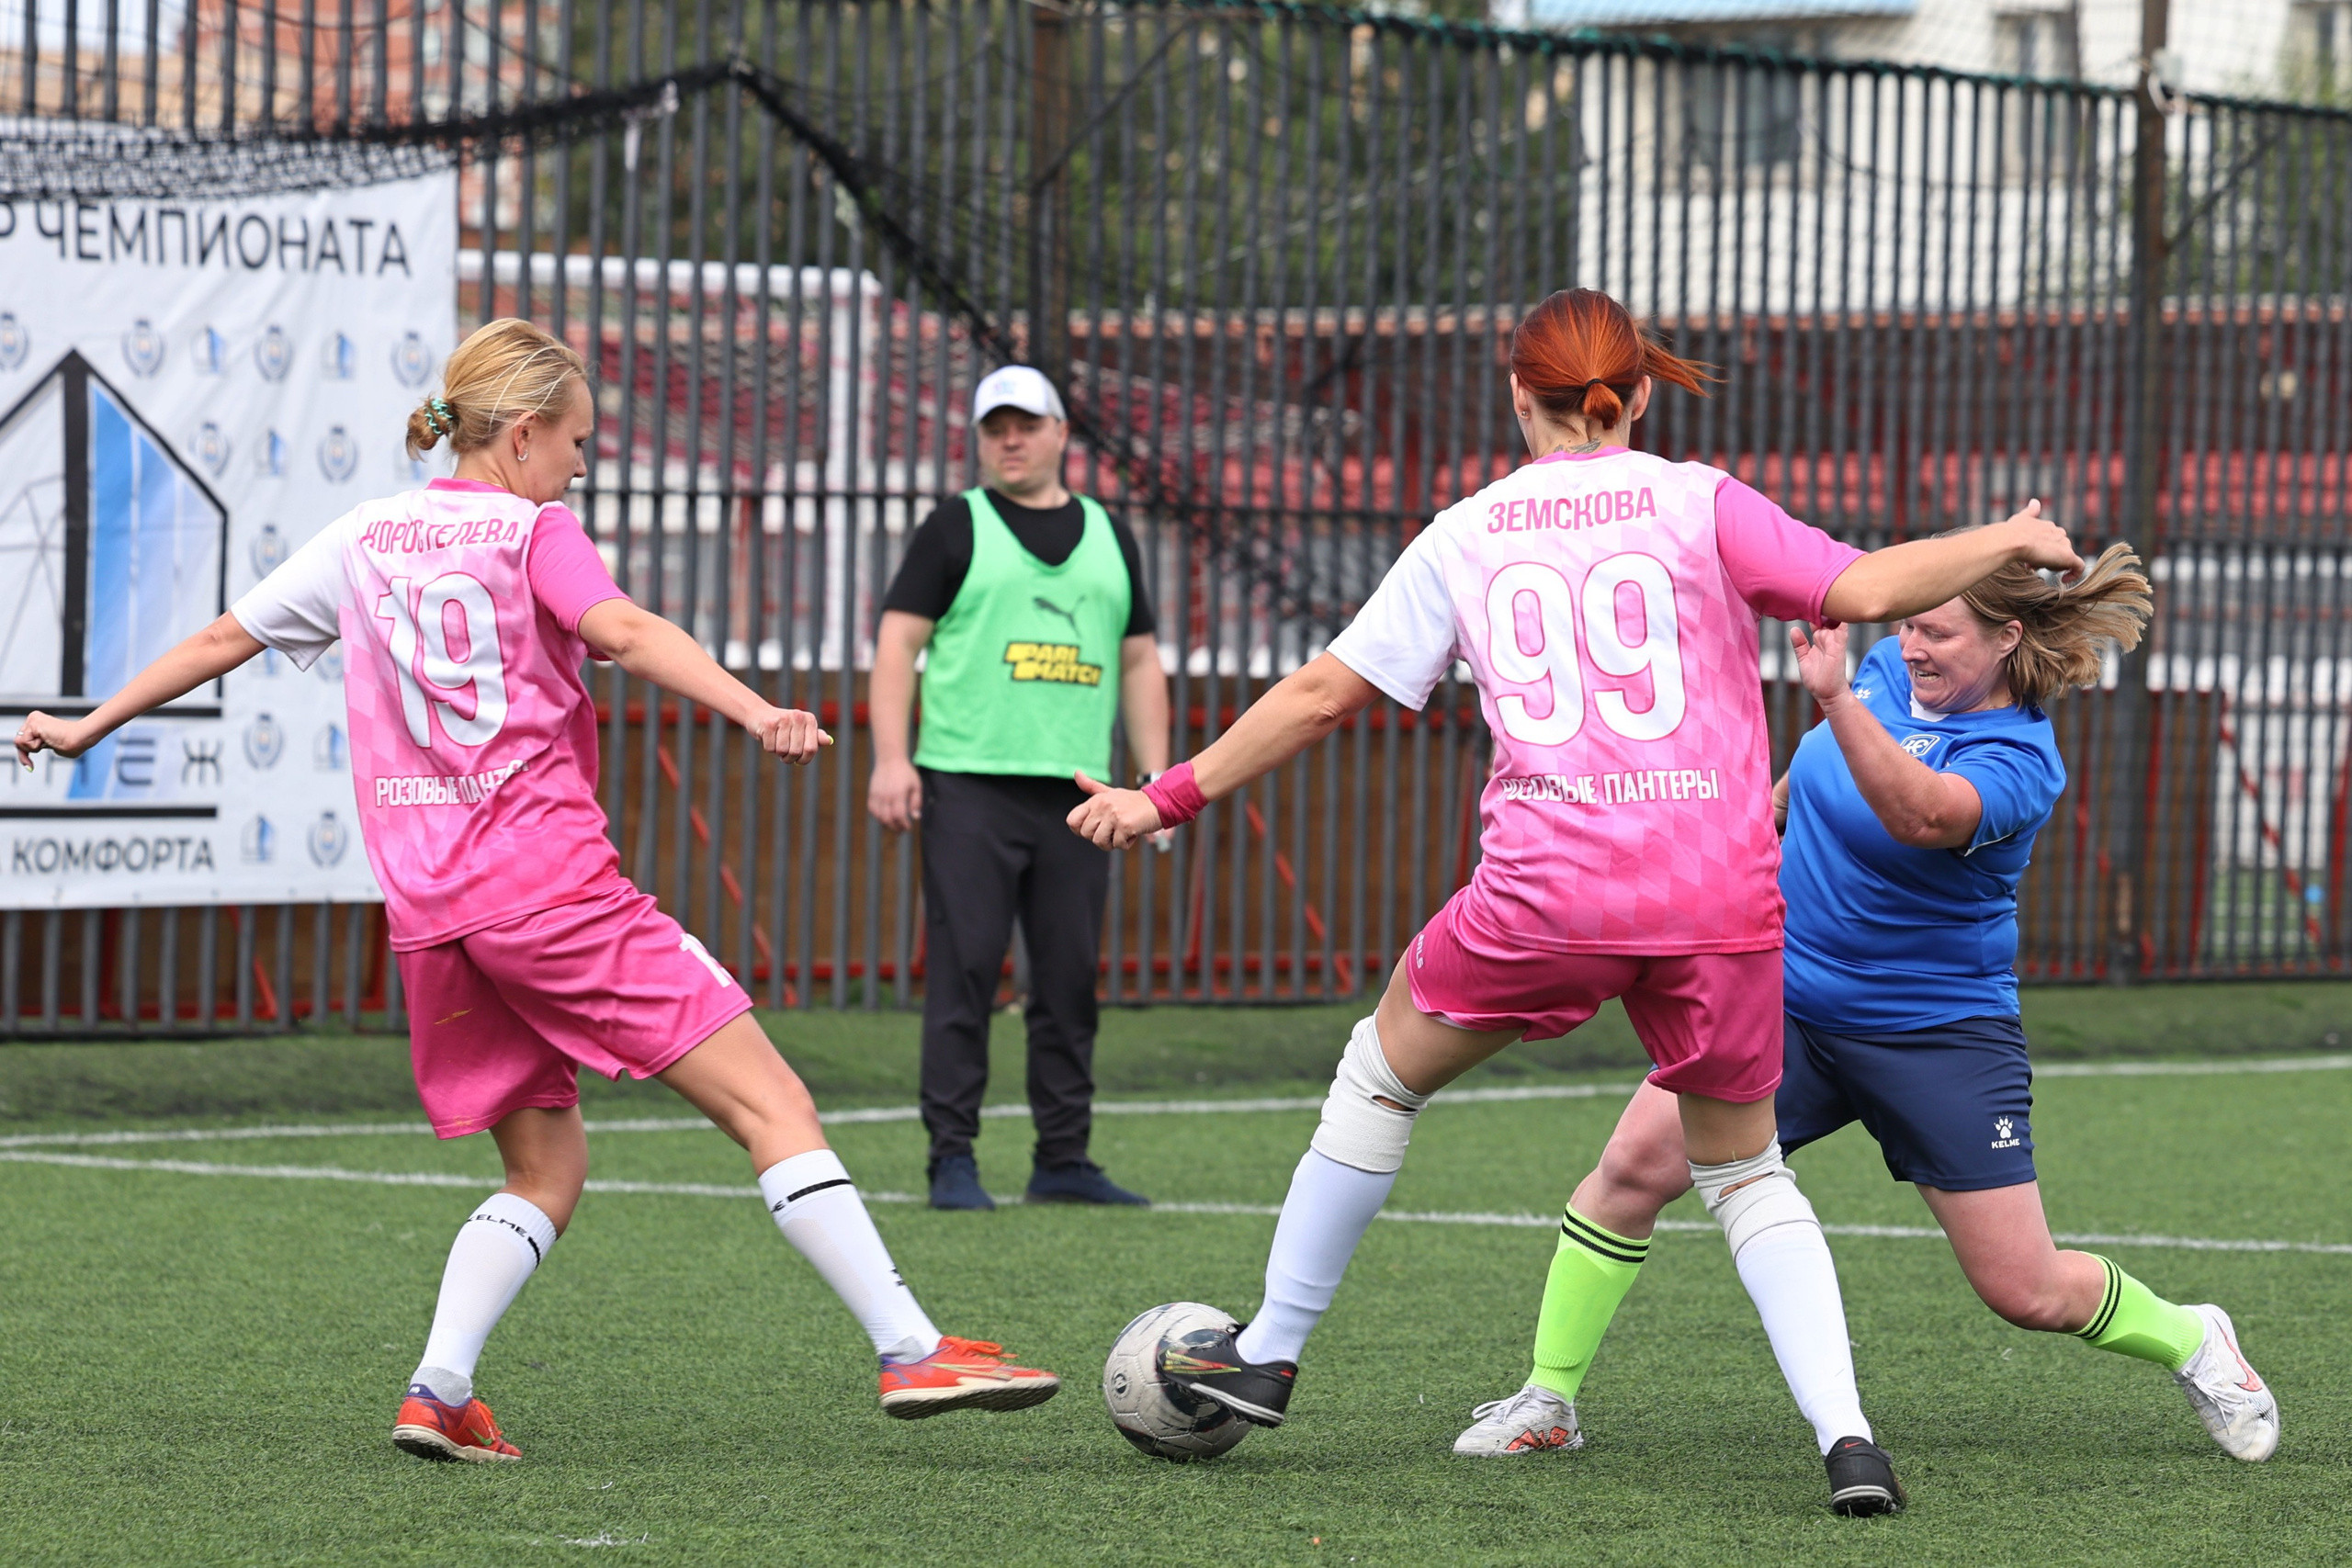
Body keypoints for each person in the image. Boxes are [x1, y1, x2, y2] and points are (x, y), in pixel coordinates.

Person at [1067, 288, 2086, 1515]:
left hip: (1545, 895)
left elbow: (1321, 694)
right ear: (1638, 394)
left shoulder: (1469, 530)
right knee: (1748, 1174)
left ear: (1517, 391)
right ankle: (1849, 1439)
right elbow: (1864, 586)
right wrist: (2005, 538)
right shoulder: (1697, 500)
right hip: (1713, 898)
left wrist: (1165, 796)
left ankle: (1272, 1347)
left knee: (1379, 1075)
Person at [14, 319, 1059, 1464]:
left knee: (544, 1165)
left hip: (434, 920)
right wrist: (755, 707)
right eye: (575, 442)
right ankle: (910, 1345)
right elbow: (620, 628)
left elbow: (225, 635)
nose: (580, 465)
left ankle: (438, 1388)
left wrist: (88, 724)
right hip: (554, 897)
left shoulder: (364, 535)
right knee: (774, 1108)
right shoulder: (531, 531)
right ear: (520, 435)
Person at [1465, 539, 2281, 1465]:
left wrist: (1838, 698)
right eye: (1905, 626)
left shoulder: (2019, 758)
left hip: (1933, 1036)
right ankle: (1548, 1399)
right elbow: (1809, 781)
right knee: (1629, 1173)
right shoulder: (1894, 671)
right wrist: (1749, 826)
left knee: (2024, 1289)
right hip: (1786, 1008)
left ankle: (2193, 1338)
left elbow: (1921, 814)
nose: (1910, 645)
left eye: (1935, 630)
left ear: (2006, 638)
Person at [869, 364, 1170, 1212]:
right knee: (965, 971)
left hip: (1083, 795)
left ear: (1060, 432)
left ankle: (1063, 1159)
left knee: (1070, 978)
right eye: (995, 425)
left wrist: (1159, 783)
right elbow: (896, 646)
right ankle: (952, 1160)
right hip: (968, 782)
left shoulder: (1111, 534)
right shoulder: (953, 526)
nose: (1011, 438)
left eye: (1026, 423)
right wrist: (893, 760)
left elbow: (1141, 656)